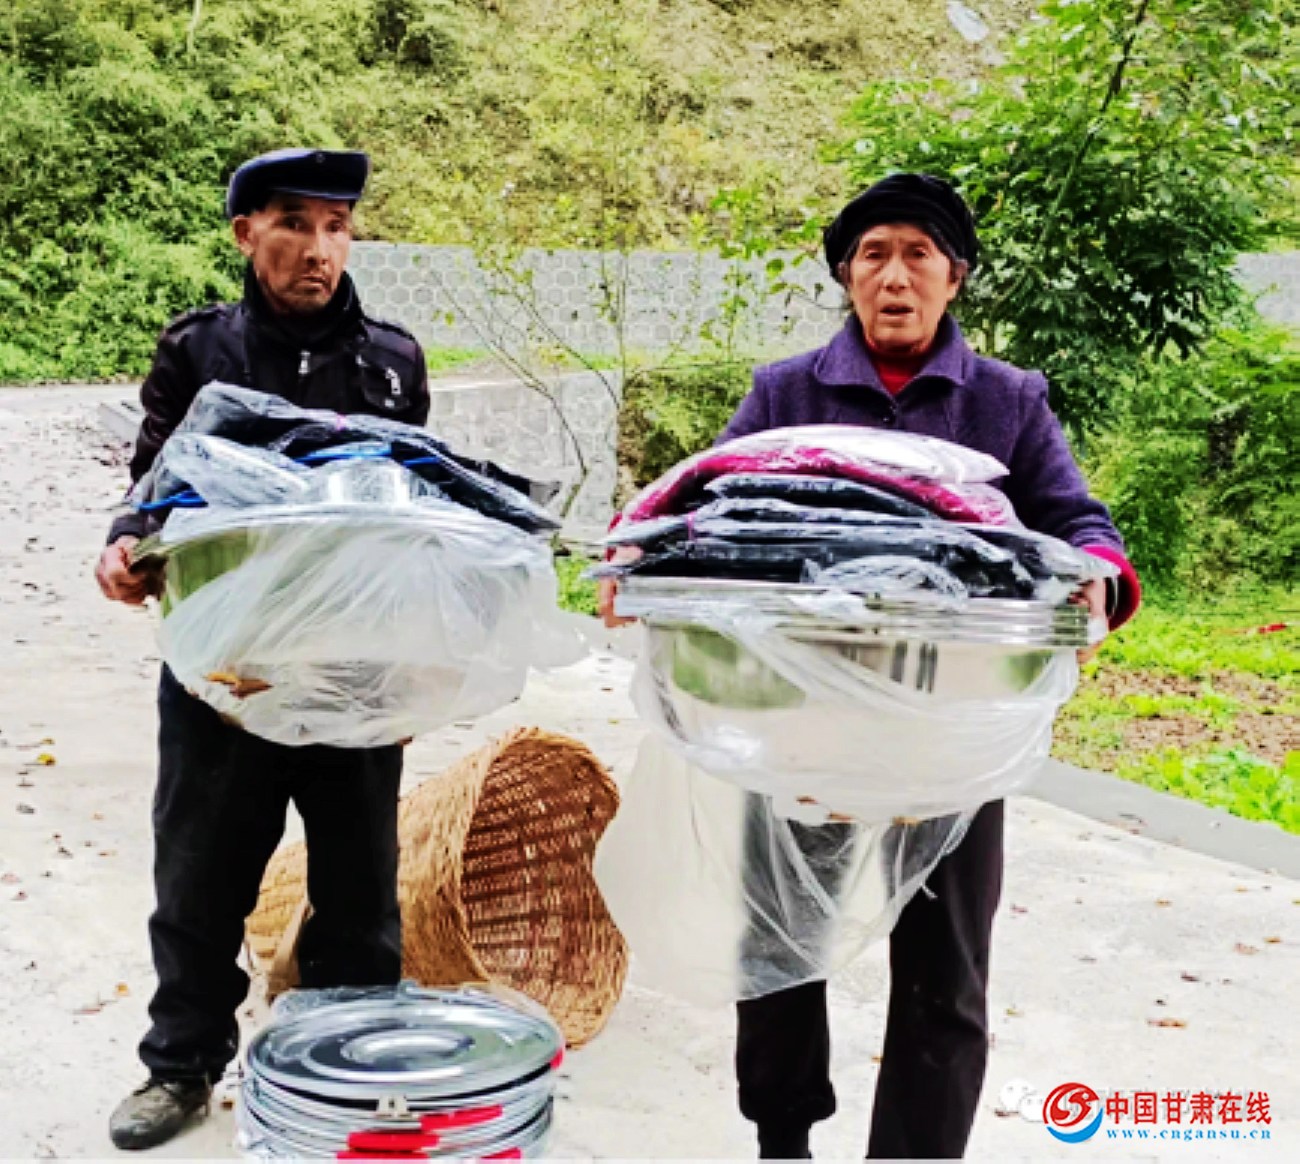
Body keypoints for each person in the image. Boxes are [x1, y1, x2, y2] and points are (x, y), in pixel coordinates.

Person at [600, 173, 1140, 1159]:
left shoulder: (1006, 400)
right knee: (779, 937)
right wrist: (640, 554)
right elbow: (708, 502)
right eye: (873, 256)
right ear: (847, 277)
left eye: (917, 255)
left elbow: (1074, 520)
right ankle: (782, 1134)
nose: (895, 277)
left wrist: (1098, 574)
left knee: (945, 965)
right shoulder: (786, 391)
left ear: (954, 277)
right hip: (802, 717)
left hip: (948, 729)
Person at [95, 148, 431, 1151]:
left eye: (336, 227)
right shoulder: (198, 350)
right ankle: (181, 1066)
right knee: (199, 881)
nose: (318, 248)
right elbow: (153, 480)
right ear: (247, 235)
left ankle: (349, 1067)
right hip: (223, 670)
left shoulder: (393, 363)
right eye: (293, 224)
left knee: (360, 893)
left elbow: (415, 512)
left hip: (353, 670)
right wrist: (125, 542)